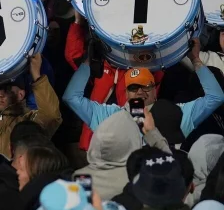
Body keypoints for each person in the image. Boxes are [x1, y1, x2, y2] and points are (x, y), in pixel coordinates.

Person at [64, 38, 224, 141]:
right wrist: (88, 61)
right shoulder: (109, 115)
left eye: (146, 86)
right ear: (125, 93)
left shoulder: (175, 114)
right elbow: (71, 97)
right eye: (134, 87)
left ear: (155, 91)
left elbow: (215, 97)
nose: (140, 92)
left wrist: (195, 59)